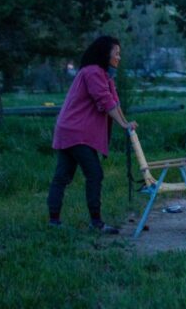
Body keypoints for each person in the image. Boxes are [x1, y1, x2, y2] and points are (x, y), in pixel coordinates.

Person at [47, 36, 137, 233]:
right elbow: (104, 100)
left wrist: (125, 123)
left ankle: (54, 221)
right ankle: (96, 223)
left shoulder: (104, 76)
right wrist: (123, 125)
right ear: (105, 55)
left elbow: (114, 103)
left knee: (62, 176)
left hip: (69, 130)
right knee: (94, 173)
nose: (118, 58)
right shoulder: (92, 72)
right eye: (116, 54)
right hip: (76, 131)